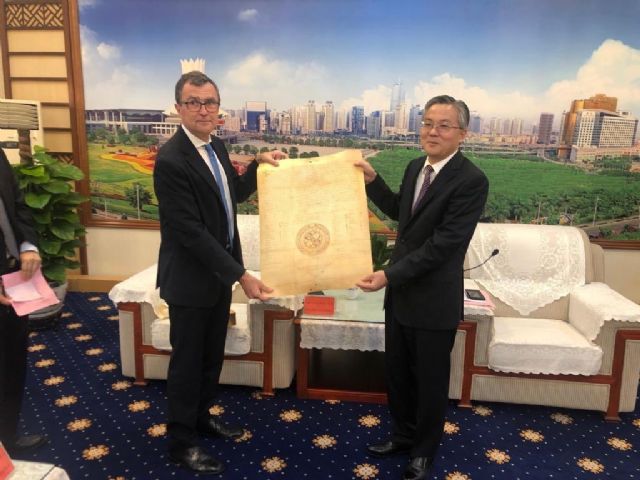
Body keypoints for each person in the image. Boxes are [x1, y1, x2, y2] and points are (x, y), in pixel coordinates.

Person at [153, 71, 285, 475]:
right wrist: (242, 274)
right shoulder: (171, 160)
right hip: (189, 281)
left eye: (209, 102)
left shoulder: (217, 148)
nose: (203, 109)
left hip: (216, 278)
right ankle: (181, 443)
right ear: (179, 108)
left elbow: (234, 195)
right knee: (188, 364)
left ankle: (201, 418)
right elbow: (190, 231)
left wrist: (259, 165)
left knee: (212, 358)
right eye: (193, 102)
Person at [355, 95, 489, 480]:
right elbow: (402, 212)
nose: (432, 131)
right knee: (397, 374)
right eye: (427, 123)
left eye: (443, 125)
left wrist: (388, 275)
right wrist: (373, 182)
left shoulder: (471, 180)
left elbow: (442, 246)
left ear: (462, 133)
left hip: (433, 299)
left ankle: (424, 451)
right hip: (401, 296)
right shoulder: (417, 166)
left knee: (429, 381)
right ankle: (402, 436)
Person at [0, 147, 47, 454]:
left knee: (12, 361)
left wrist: (28, 245)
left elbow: (17, 204)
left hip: (12, 276)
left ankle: (7, 437)